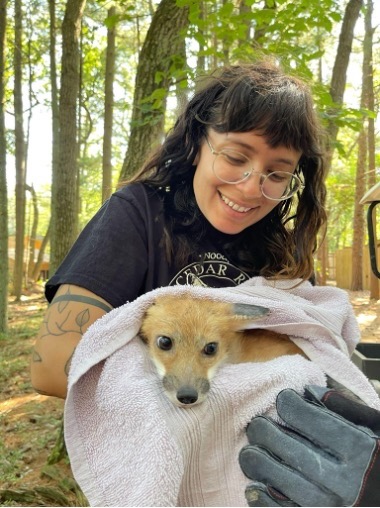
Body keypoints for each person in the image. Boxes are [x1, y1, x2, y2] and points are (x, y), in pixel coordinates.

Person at [30, 61, 380, 506]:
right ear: (199, 143)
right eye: (235, 157)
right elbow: (50, 364)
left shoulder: (283, 249)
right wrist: (199, 396)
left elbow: (310, 344)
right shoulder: (139, 214)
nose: (252, 188)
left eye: (276, 174)